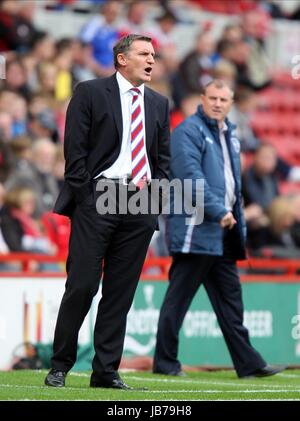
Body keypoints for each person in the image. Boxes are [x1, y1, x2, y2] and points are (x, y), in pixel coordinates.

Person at [44, 34, 170, 389]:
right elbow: (75, 151)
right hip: (98, 196)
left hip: (140, 203)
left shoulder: (159, 103)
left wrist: (154, 200)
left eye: (154, 55)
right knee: (82, 284)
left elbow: (163, 160)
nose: (151, 60)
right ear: (121, 59)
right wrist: (87, 199)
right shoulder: (89, 92)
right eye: (144, 53)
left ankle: (105, 372)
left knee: (120, 292)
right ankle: (60, 365)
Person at [153, 79, 285, 379]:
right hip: (195, 229)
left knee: (230, 300)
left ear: (231, 103)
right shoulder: (188, 132)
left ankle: (249, 363)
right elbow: (189, 178)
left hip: (222, 231)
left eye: (223, 100)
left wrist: (233, 219)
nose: (217, 103)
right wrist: (218, 211)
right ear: (202, 99)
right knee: (179, 298)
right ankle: (164, 362)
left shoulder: (231, 135)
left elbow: (232, 184)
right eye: (212, 98)